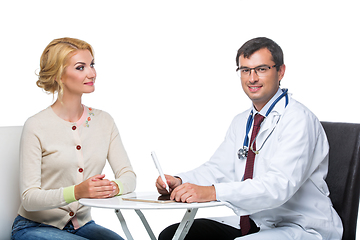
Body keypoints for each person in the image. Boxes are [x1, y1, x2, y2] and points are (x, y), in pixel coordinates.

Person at [156, 37, 343, 240]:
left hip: (302, 225)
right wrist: (181, 181)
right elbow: (219, 169)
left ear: (280, 71)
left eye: (261, 69)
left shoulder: (298, 120)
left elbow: (278, 186)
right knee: (174, 236)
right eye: (245, 70)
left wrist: (211, 192)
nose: (252, 78)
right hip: (257, 221)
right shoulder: (242, 122)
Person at [11, 37, 136, 240]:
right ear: (58, 75)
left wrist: (113, 187)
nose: (92, 73)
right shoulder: (36, 125)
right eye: (81, 67)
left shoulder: (104, 121)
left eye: (92, 65)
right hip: (33, 227)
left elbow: (128, 175)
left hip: (83, 226)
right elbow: (29, 198)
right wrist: (76, 192)